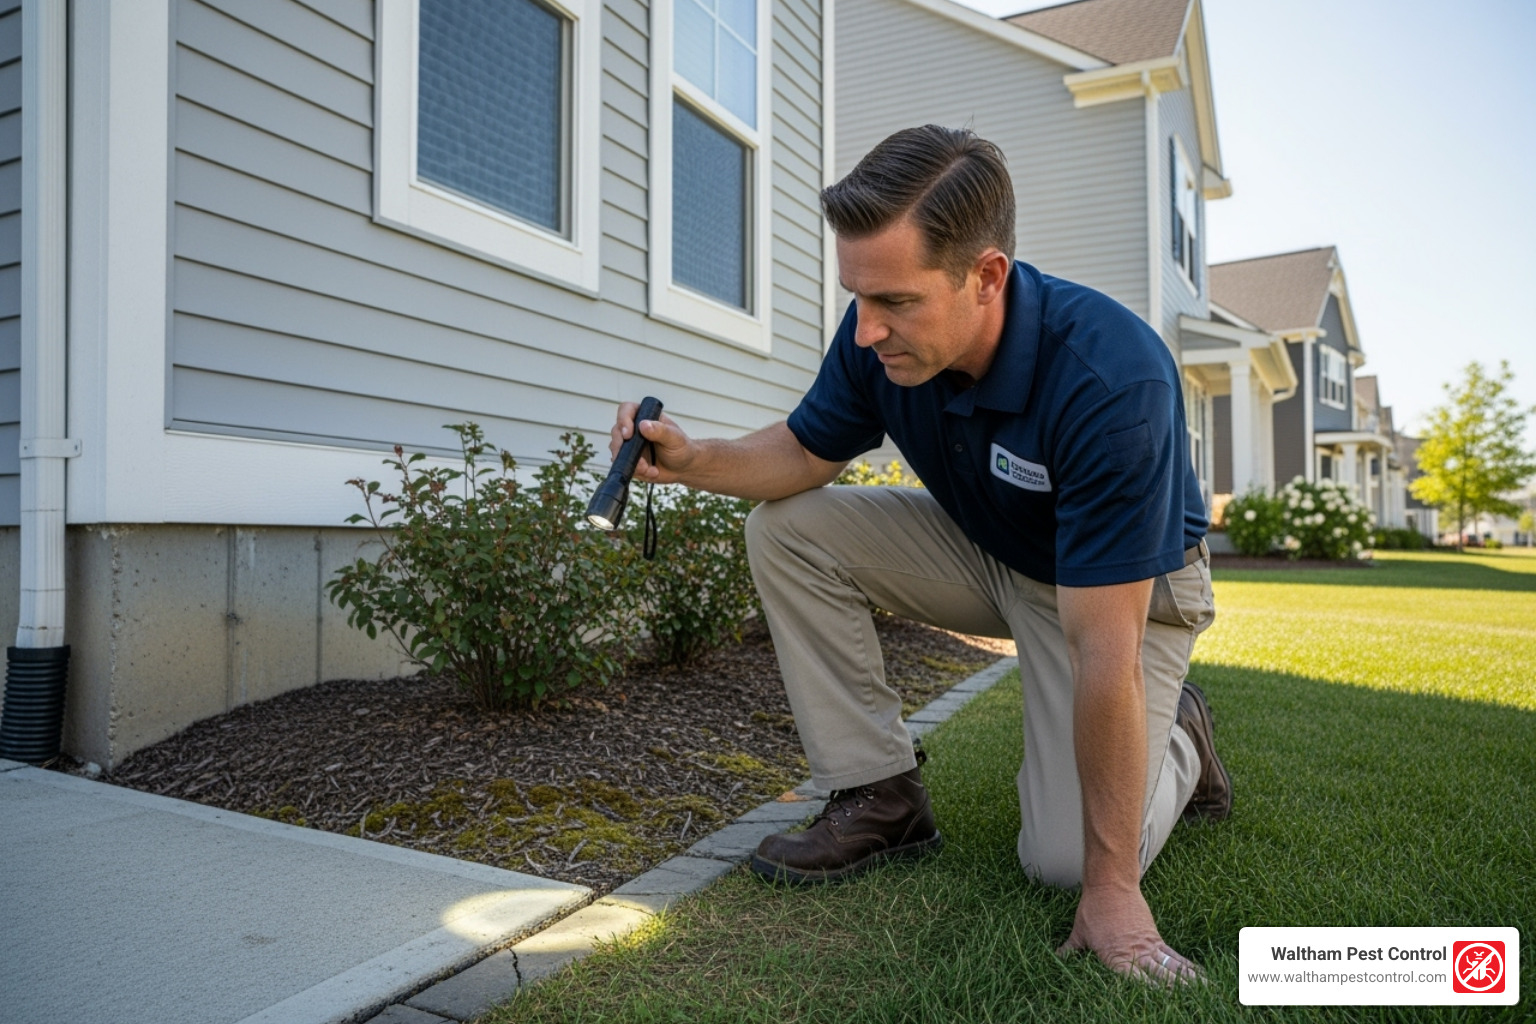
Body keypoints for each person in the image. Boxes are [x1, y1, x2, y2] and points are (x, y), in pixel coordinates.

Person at [609, 125, 1230, 984]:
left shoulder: (1112, 381)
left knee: (1065, 863)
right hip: (994, 549)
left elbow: (1105, 652)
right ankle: (880, 793)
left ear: (987, 276)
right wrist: (693, 458)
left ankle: (1181, 739)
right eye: (857, 297)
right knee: (786, 529)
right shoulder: (879, 333)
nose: (867, 331)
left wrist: (1114, 890)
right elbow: (805, 451)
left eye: (895, 302)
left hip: (1128, 593)